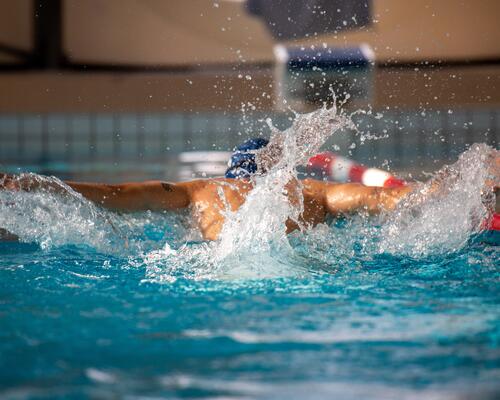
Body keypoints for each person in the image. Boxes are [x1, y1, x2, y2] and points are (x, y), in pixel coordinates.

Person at [1, 139, 498, 241]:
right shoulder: (313, 193)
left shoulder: (198, 192)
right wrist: (464, 187)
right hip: (306, 281)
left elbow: (114, 194)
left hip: (216, 281)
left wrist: (32, 184)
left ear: (233, 171)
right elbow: (394, 199)